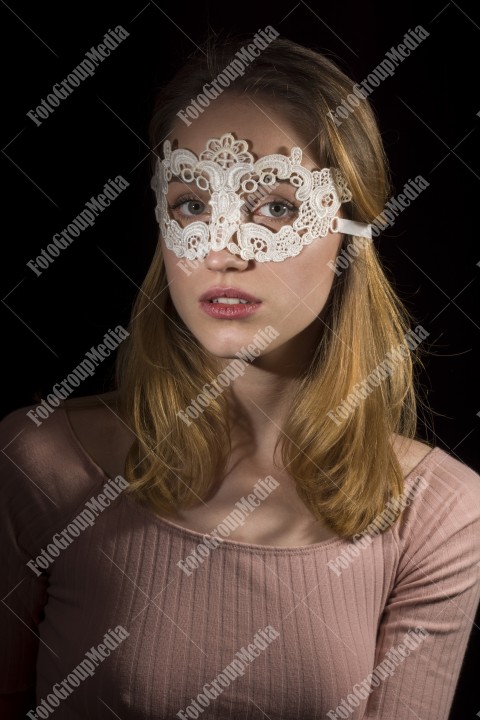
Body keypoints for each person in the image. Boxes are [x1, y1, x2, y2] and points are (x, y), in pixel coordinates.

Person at [1, 35, 479, 720]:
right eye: (193, 205)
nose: (224, 251)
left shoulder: (440, 516)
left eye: (276, 207)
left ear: (351, 232)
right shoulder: (39, 463)